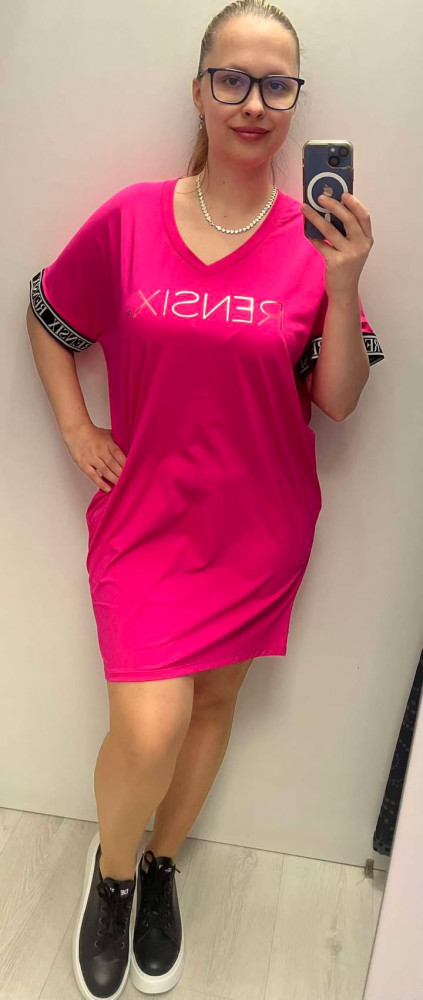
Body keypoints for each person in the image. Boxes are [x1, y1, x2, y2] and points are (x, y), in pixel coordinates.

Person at [26, 2, 385, 998]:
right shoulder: (131, 218)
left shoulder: (317, 239)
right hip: (145, 523)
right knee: (148, 728)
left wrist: (345, 282)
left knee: (214, 704)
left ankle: (160, 863)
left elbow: (338, 401)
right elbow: (48, 317)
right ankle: (110, 874)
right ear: (199, 91)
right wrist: (78, 429)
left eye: (276, 83)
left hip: (259, 529)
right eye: (232, 78)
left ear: (296, 100)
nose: (253, 102)